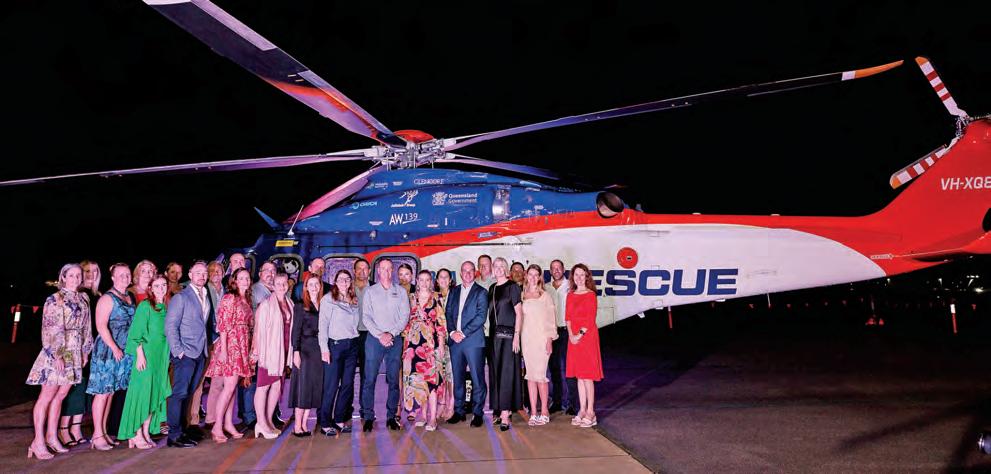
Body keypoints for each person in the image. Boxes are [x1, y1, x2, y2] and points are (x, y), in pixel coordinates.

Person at [26, 264, 93, 460]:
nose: (75, 278)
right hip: (57, 353)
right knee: (47, 396)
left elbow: (87, 327)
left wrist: (85, 350)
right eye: (70, 275)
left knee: (61, 395)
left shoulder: (83, 298)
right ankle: (38, 441)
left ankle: (52, 437)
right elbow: (49, 328)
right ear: (63, 277)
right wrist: (57, 354)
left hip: (75, 352)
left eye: (78, 275)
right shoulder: (54, 299)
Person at [117, 275, 172, 449]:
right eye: (157, 285)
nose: (161, 288)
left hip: (160, 358)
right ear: (150, 288)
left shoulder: (167, 307)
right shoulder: (145, 306)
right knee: (142, 395)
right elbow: (135, 334)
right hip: (146, 356)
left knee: (153, 394)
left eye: (164, 285)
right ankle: (135, 432)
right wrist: (140, 354)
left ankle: (146, 431)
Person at [164, 261, 213, 448]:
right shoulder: (181, 297)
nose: (202, 276)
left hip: (200, 353)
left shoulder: (205, 295)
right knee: (179, 393)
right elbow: (170, 326)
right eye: (197, 272)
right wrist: (179, 352)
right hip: (185, 354)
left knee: (189, 393)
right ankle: (174, 435)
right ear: (190, 275)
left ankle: (183, 430)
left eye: (204, 273)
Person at [86, 262, 135, 450]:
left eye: (127, 274)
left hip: (123, 350)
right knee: (103, 392)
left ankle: (104, 432)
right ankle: (97, 435)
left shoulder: (129, 296)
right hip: (107, 350)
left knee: (111, 392)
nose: (125, 277)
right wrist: (114, 347)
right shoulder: (107, 298)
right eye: (120, 274)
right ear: (113, 277)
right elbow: (101, 326)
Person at [360, 259, 411, 432]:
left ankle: (391, 416)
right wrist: (380, 335)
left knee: (393, 380)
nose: (386, 272)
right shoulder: (370, 291)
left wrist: (392, 333)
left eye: (389, 269)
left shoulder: (401, 292)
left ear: (392, 271)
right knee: (369, 379)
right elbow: (366, 317)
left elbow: (404, 316)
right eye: (383, 269)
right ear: (378, 271)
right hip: (374, 340)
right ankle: (368, 416)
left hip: (394, 340)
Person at [205, 267, 253, 443]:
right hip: (231, 345)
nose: (245, 281)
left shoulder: (246, 298)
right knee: (229, 387)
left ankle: (228, 423)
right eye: (241, 278)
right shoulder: (229, 298)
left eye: (247, 278)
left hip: (242, 344)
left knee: (232, 388)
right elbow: (223, 325)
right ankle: (217, 426)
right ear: (235, 281)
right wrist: (224, 351)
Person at [57, 260, 100, 449]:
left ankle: (76, 427)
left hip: (89, 348)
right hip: (70, 349)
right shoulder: (74, 295)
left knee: (83, 389)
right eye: (87, 271)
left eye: (94, 271)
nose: (90, 274)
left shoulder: (94, 296)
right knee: (71, 390)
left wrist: (87, 349)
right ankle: (63, 428)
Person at [400, 271, 448, 431]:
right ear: (417, 281)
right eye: (421, 280)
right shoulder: (410, 298)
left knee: (432, 381)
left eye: (428, 280)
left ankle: (432, 418)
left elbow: (441, 323)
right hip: (413, 345)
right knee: (419, 381)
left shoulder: (437, 298)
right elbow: (405, 321)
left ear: (431, 282)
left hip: (430, 345)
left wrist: (441, 345)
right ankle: (423, 414)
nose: (425, 283)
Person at [445, 261, 488, 428]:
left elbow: (480, 317)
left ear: (475, 273)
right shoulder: (454, 291)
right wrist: (452, 333)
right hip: (455, 342)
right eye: (465, 271)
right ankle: (459, 411)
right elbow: (448, 313)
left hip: (473, 342)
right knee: (458, 378)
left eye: (471, 271)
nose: (468, 273)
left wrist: (461, 333)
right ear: (460, 273)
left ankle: (477, 413)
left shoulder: (481, 292)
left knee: (477, 378)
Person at [317, 270, 359, 436]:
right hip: (335, 346)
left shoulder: (353, 299)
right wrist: (324, 349)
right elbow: (323, 326)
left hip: (352, 345)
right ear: (335, 281)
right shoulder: (328, 299)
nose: (344, 282)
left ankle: (340, 419)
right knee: (331, 385)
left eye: (347, 279)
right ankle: (325, 422)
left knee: (347, 384)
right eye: (341, 279)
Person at [251, 272, 293, 439]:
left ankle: (268, 421)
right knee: (263, 387)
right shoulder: (266, 305)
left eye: (284, 283)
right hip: (269, 352)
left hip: (283, 352)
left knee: (276, 386)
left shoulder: (289, 303)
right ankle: (260, 423)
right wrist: (257, 352)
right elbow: (258, 331)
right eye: (278, 283)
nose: (282, 286)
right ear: (273, 286)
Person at [238, 261, 276, 432]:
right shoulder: (254, 291)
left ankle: (268, 415)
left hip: (270, 343)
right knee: (252, 380)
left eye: (273, 271)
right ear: (260, 273)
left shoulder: (275, 290)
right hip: (256, 341)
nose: (270, 273)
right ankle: (250, 417)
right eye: (267, 270)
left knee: (268, 379)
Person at [566, 264, 604, 428]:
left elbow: (590, 318)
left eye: (582, 275)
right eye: (576, 275)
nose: (579, 278)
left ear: (587, 277)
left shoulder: (590, 295)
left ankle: (591, 412)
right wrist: (571, 335)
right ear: (573, 277)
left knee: (587, 375)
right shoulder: (570, 295)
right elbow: (567, 317)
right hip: (573, 338)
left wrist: (579, 335)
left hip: (587, 337)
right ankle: (582, 409)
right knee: (579, 376)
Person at [487, 257, 523, 431]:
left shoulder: (512, 287)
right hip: (494, 338)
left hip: (509, 337)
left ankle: (505, 414)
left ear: (506, 269)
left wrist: (517, 336)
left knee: (507, 374)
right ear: (493, 269)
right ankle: (499, 408)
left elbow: (519, 313)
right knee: (495, 373)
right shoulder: (492, 288)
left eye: (502, 266)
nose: (499, 268)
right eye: (496, 266)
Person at [521, 264, 558, 426]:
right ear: (526, 276)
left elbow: (551, 320)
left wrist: (549, 339)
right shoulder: (522, 295)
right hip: (527, 340)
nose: (533, 278)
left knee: (541, 376)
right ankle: (533, 412)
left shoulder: (545, 296)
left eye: (536, 275)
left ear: (540, 277)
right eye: (530, 274)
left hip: (541, 339)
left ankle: (544, 411)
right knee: (530, 376)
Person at [289, 274, 324, 437]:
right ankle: (297, 426)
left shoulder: (324, 304)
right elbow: (295, 331)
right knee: (302, 388)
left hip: (319, 350)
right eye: (311, 284)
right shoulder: (300, 305)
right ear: (306, 287)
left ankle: (304, 424)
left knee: (312, 387)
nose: (314, 287)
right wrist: (296, 352)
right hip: (304, 349)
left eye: (317, 284)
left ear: (320, 286)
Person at [548, 259, 578, 416]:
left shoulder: (571, 286)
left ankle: (573, 403)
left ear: (564, 269)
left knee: (569, 368)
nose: (556, 270)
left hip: (567, 331)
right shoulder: (546, 288)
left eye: (559, 268)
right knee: (553, 369)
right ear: (550, 271)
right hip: (552, 333)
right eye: (553, 268)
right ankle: (557, 402)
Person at [198, 261, 225, 429]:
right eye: (212, 271)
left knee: (218, 380)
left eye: (219, 271)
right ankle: (193, 420)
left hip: (223, 341)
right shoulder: (204, 290)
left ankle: (212, 418)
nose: (216, 273)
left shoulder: (225, 290)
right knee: (200, 382)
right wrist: (214, 339)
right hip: (209, 341)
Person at [350, 257, 370, 430]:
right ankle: (345, 410)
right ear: (354, 271)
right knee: (347, 375)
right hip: (350, 336)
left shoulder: (375, 288)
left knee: (366, 374)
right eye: (359, 269)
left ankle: (365, 410)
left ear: (369, 271)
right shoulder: (347, 288)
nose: (362, 272)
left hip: (368, 336)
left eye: (365, 269)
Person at [433, 268, 456, 422]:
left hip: (452, 340)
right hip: (437, 341)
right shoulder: (433, 296)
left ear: (450, 280)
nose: (443, 280)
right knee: (440, 376)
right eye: (440, 277)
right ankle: (441, 403)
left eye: (446, 277)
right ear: (436, 280)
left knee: (451, 375)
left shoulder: (455, 295)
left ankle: (450, 404)